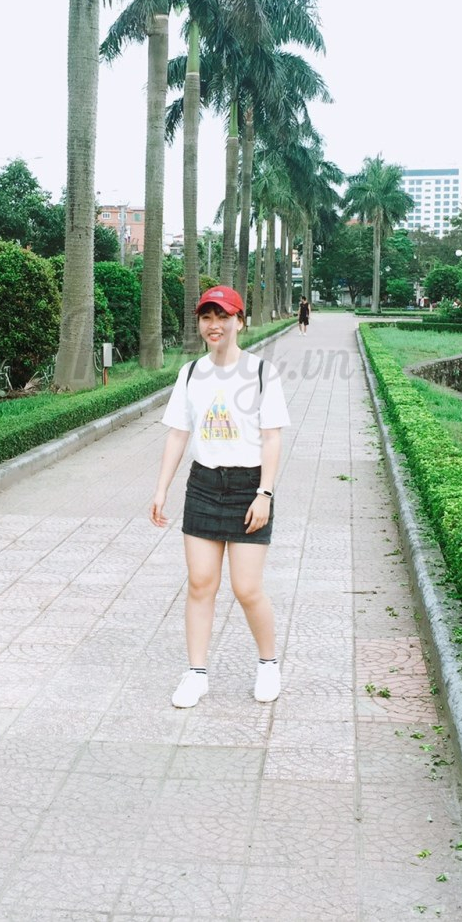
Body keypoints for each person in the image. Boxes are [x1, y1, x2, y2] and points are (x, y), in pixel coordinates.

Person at [151, 285, 291, 708]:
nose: (214, 325)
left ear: (239, 322)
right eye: (207, 317)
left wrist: (264, 493)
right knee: (200, 583)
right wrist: (161, 488)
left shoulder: (261, 373)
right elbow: (179, 433)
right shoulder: (191, 373)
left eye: (223, 317)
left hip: (249, 487)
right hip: (204, 486)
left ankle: (268, 664)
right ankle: (196, 674)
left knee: (246, 588)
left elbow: (272, 439)